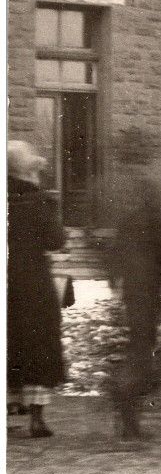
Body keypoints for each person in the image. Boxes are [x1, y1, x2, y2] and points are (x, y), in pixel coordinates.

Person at [106, 129, 161, 441]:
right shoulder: (151, 186)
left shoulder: (108, 184)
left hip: (125, 273)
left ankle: (126, 400)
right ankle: (128, 401)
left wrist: (112, 270)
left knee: (134, 338)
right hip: (146, 274)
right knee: (142, 341)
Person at [8, 141, 67, 439]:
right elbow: (55, 241)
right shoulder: (40, 200)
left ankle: (9, 404)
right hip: (32, 282)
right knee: (38, 344)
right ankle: (37, 418)